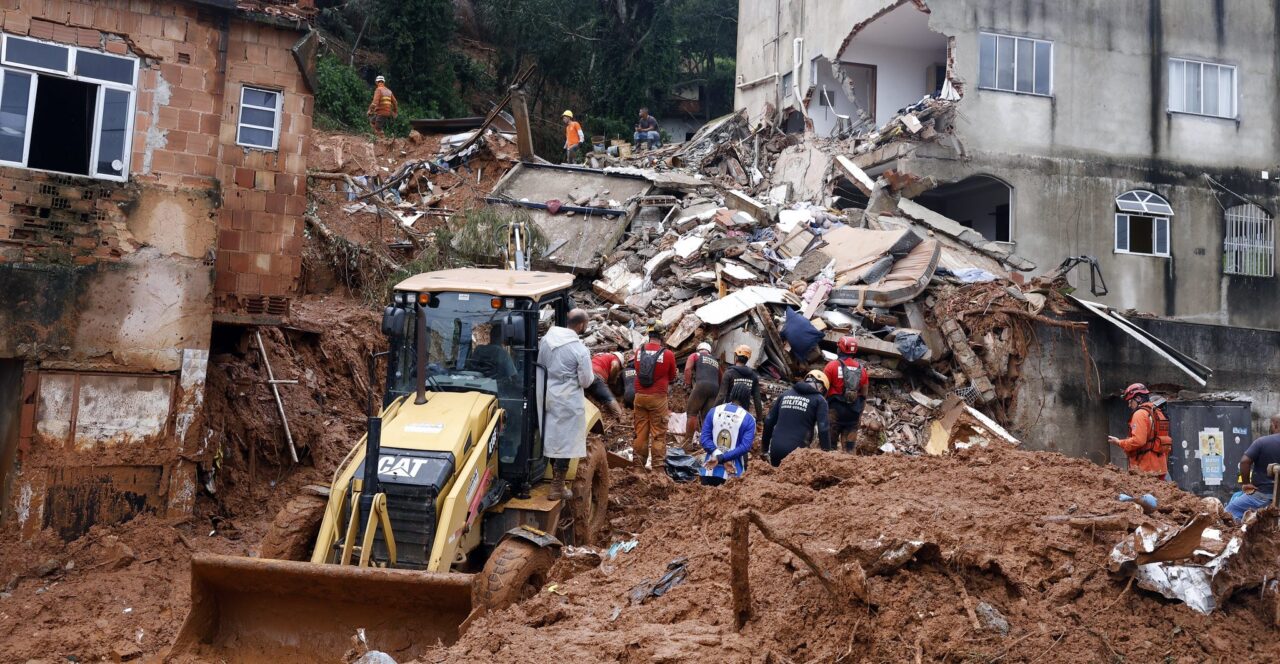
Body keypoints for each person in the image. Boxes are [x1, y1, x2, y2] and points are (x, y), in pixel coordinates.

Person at [536, 308, 594, 500]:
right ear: (581, 325)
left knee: (551, 437)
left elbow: (541, 364)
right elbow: (586, 381)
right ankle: (557, 486)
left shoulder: (546, 340)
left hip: (547, 393)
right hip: (568, 399)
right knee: (566, 442)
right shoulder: (579, 350)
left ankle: (550, 476)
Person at [761, 370, 831, 467]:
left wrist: (764, 449)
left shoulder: (785, 395)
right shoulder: (819, 400)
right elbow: (823, 429)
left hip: (775, 450)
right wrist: (827, 456)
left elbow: (768, 421)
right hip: (798, 455)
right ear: (821, 388)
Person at [633, 321, 677, 471]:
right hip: (658, 397)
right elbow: (672, 376)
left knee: (640, 433)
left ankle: (638, 468)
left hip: (639, 396)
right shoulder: (668, 354)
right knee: (658, 434)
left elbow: (637, 371)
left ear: (649, 334)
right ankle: (658, 471)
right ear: (662, 335)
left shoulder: (639, 351)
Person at [1107, 383, 1171, 480]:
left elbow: (1138, 441)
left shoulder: (1140, 414)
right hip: (1160, 468)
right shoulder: (1157, 412)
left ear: (1138, 399)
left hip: (1146, 469)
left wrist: (1119, 442)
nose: (1129, 405)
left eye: (1130, 401)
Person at [699, 384, 757, 486]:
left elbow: (704, 439)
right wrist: (723, 458)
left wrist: (718, 456)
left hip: (709, 470)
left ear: (732, 394)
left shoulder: (714, 411)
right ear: (747, 399)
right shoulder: (749, 419)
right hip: (732, 474)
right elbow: (745, 447)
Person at [1225, 415, 1280, 522]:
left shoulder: (1262, 442)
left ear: (1275, 425)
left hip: (1261, 496)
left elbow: (1244, 461)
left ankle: (1244, 534)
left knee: (1227, 513)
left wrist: (1246, 483)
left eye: (1271, 425)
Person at [823, 336, 870, 452]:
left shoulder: (832, 366)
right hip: (853, 414)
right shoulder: (862, 370)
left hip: (834, 413)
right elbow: (864, 395)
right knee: (849, 451)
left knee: (828, 449)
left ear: (839, 349)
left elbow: (823, 390)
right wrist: (859, 417)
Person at [683, 341, 722, 448]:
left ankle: (687, 443)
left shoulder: (695, 355)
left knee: (692, 413)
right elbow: (721, 378)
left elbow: (687, 369)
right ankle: (706, 444)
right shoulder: (715, 361)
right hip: (715, 389)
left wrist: (687, 384)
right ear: (709, 351)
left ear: (699, 349)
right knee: (706, 417)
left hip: (701, 386)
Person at [717, 345, 764, 416]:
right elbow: (757, 399)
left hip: (728, 413)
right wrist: (760, 419)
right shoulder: (754, 376)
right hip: (743, 415)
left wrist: (713, 410)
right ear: (747, 359)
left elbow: (721, 395)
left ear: (736, 357)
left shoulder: (729, 373)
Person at [588, 351, 626, 418]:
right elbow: (615, 366)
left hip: (585, 374)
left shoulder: (599, 354)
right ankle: (621, 417)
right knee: (609, 398)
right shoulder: (615, 358)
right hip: (597, 376)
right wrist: (612, 381)